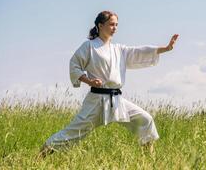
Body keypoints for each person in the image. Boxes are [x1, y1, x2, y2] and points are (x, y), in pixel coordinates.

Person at [39, 11, 179, 158]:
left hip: (116, 100)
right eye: (111, 24)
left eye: (116, 25)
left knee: (145, 120)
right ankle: (39, 158)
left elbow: (139, 52)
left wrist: (166, 48)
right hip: (96, 100)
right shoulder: (89, 46)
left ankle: (149, 161)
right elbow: (74, 65)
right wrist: (89, 81)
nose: (115, 28)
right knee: (73, 133)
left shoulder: (118, 49)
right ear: (100, 25)